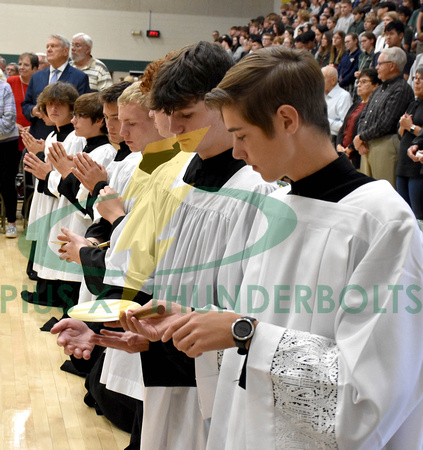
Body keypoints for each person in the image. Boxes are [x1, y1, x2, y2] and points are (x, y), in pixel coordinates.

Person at [125, 46, 423, 449]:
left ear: (286, 120)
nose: (236, 152)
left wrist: (244, 333)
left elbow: (371, 394)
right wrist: (188, 322)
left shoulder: (381, 222)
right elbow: (248, 327)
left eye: (241, 135)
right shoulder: (278, 208)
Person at [354, 47, 414, 187]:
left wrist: (361, 137)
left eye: (380, 64)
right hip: (368, 144)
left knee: (384, 192)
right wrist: (359, 138)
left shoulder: (401, 89)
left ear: (392, 65)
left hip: (386, 145)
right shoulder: (381, 87)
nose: (376, 67)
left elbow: (386, 123)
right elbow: (364, 114)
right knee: (368, 192)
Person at [22, 34, 90, 140]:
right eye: (47, 47)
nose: (49, 50)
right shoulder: (36, 76)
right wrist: (33, 111)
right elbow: (26, 105)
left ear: (65, 51)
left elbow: (82, 109)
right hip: (38, 135)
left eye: (53, 46)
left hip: (67, 138)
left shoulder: (80, 77)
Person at [337, 68, 380, 168]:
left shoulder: (372, 107)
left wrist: (350, 148)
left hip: (358, 155)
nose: (359, 85)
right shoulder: (355, 104)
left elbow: (362, 130)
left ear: (375, 86)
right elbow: (344, 127)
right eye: (358, 81)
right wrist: (339, 145)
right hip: (344, 153)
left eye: (364, 82)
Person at [395, 66, 423, 219]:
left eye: (421, 78)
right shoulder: (413, 104)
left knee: (417, 214)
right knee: (404, 213)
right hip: (403, 163)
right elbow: (400, 132)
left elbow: (411, 128)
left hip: (418, 167)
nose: (416, 82)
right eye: (415, 78)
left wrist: (410, 127)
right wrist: (404, 127)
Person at [7, 52, 39, 151]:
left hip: (33, 134)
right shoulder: (10, 81)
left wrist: (32, 127)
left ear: (35, 69)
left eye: (26, 65)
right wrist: (14, 124)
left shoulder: (40, 84)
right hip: (11, 132)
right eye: (20, 64)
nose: (21, 67)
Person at [0, 80, 20, 238]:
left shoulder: (4, 87)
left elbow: (8, 120)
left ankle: (11, 222)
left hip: (6, 143)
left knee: (6, 183)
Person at [322, 65, 352, 143]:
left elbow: (345, 126)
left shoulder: (344, 96)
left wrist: (322, 120)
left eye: (323, 78)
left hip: (334, 141)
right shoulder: (320, 95)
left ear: (333, 80)